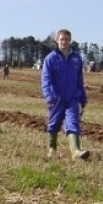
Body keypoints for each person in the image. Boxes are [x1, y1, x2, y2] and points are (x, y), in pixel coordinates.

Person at [41, 29, 89, 160]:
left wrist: (83, 97)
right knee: (54, 123)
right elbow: (45, 80)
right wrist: (49, 96)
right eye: (62, 39)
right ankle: (52, 149)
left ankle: (76, 152)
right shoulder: (50, 59)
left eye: (66, 39)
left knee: (73, 122)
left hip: (72, 97)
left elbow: (80, 80)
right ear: (57, 40)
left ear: (70, 40)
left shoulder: (76, 58)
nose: (64, 42)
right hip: (56, 98)